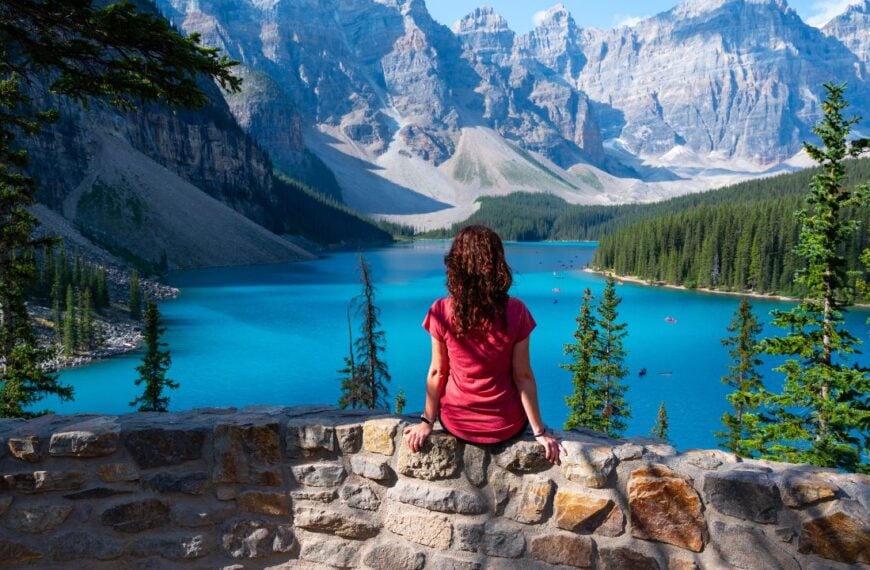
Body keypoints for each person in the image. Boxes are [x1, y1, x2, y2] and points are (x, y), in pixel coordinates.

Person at [403, 225, 563, 465]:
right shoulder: (516, 311)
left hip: (457, 424)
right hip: (505, 426)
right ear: (498, 264)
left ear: (456, 265)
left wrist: (427, 422)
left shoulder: (441, 310)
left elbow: (438, 371)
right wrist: (539, 432)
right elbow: (523, 376)